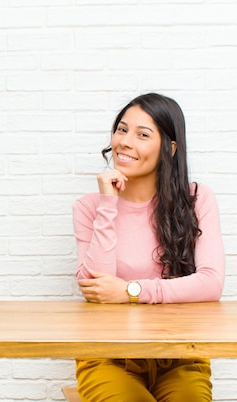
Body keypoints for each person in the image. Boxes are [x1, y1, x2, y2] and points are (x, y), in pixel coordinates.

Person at [72, 93, 225, 402]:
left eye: (143, 134)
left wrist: (130, 291)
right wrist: (108, 204)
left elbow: (211, 283)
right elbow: (96, 286)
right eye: (122, 130)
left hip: (182, 356)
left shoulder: (196, 199)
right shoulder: (89, 207)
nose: (125, 142)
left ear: (169, 148)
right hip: (107, 356)